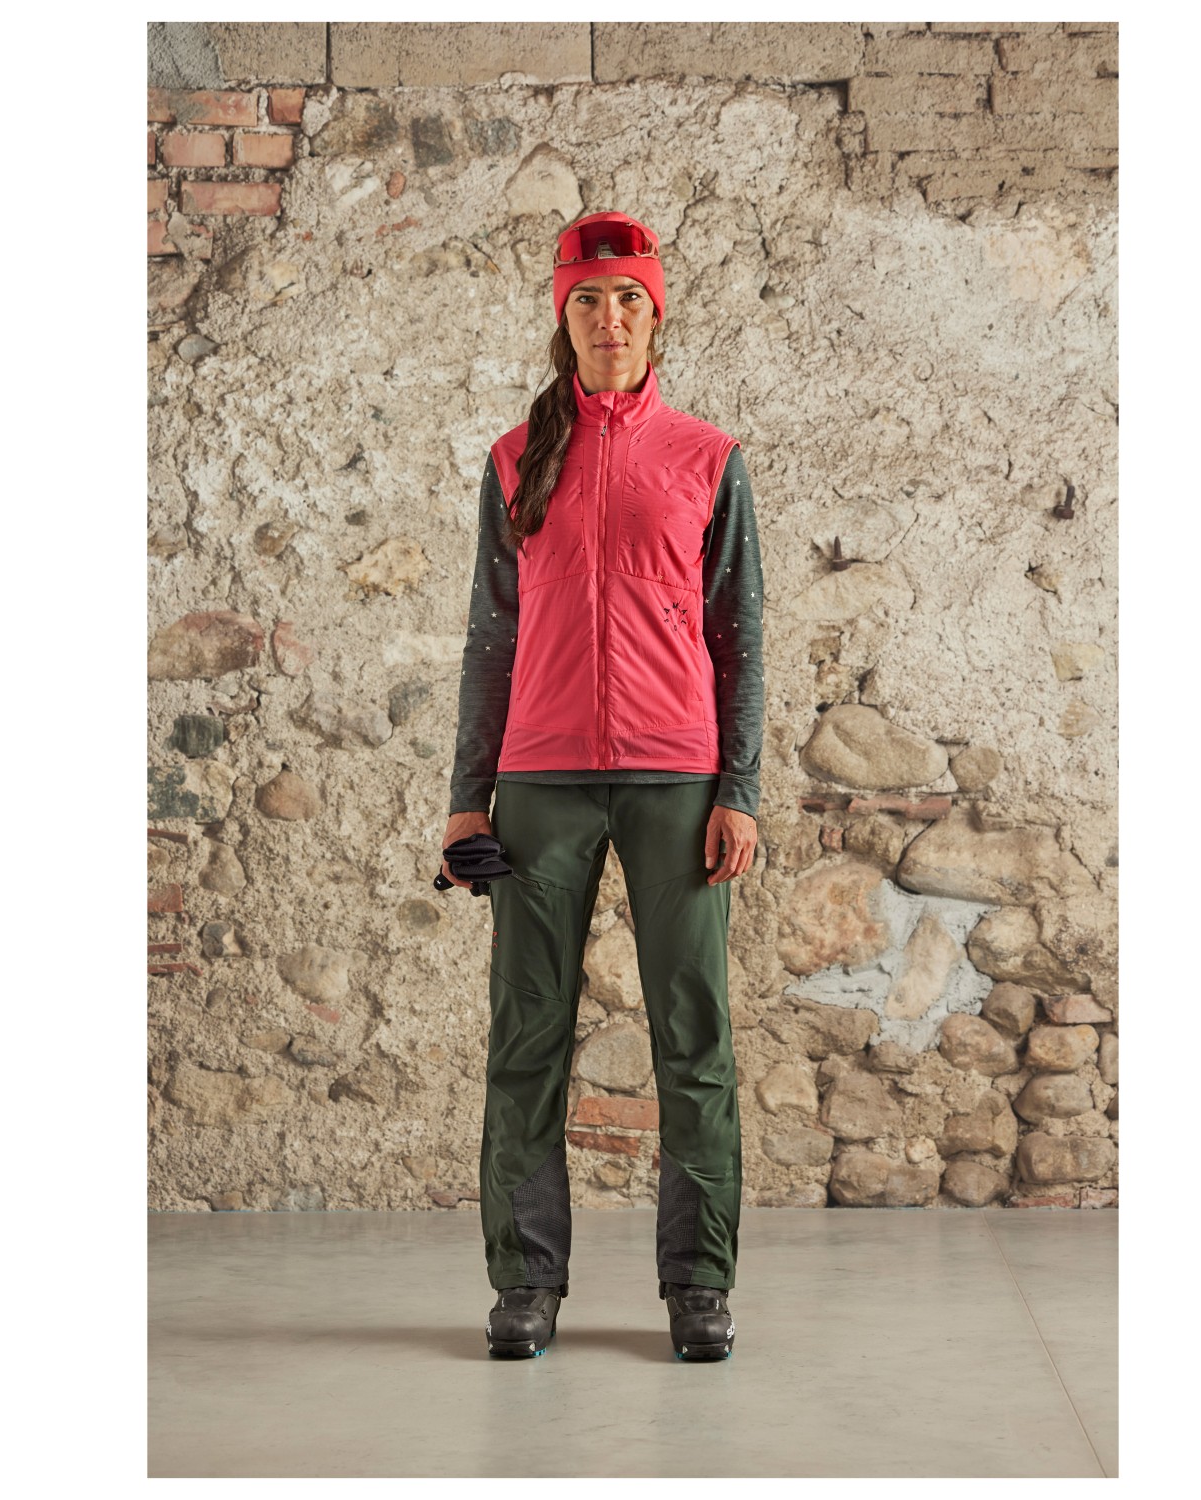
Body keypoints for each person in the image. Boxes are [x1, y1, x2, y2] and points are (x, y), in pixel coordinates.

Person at [441, 211, 765, 1361]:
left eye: (629, 298)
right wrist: (467, 797)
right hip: (540, 782)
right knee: (526, 1037)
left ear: (656, 315)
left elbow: (740, 637)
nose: (609, 318)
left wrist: (741, 788)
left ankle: (699, 1286)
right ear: (562, 317)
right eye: (588, 299)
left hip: (679, 781)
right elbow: (490, 638)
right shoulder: (514, 460)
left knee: (695, 1037)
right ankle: (525, 1284)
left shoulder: (709, 459)